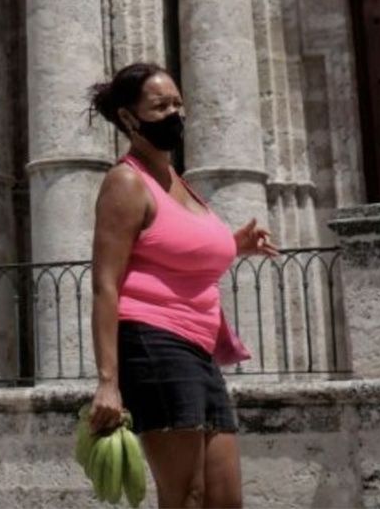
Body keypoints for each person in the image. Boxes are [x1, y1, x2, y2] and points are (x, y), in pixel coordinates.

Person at [86, 64, 278, 508]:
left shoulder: (177, 182)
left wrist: (233, 246)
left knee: (225, 499)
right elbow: (105, 284)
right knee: (186, 497)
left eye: (177, 102)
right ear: (129, 119)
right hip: (154, 346)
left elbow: (175, 253)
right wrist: (108, 382)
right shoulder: (126, 182)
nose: (175, 112)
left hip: (199, 348)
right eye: (160, 105)